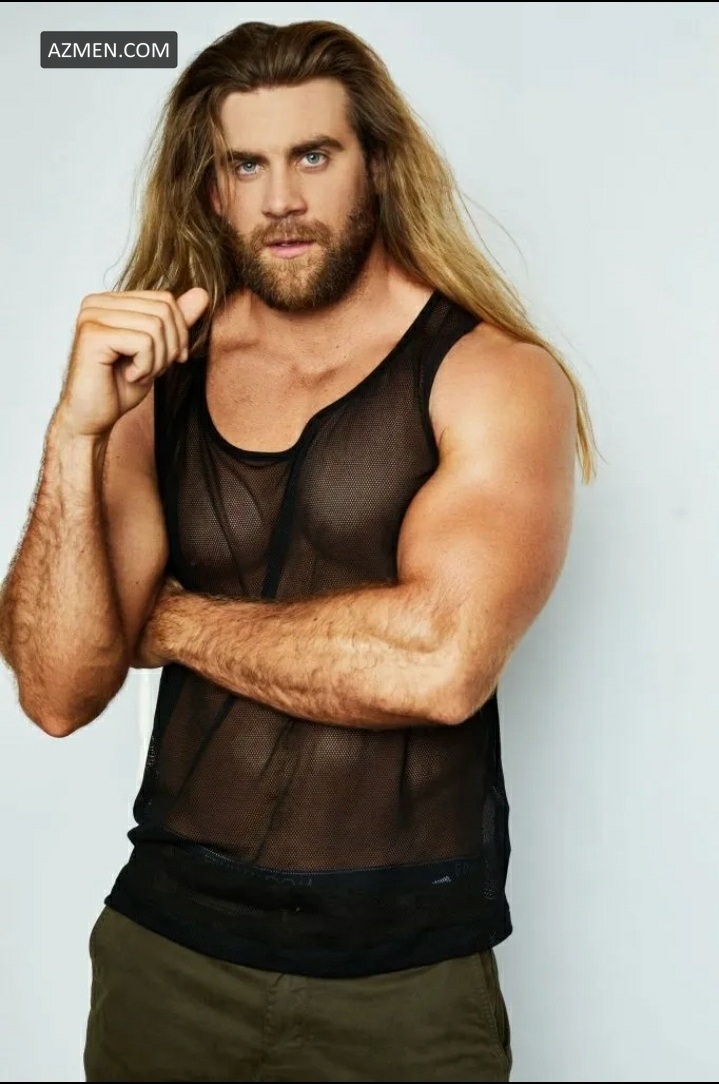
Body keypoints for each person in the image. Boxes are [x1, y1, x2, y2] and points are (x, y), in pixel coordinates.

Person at [0, 19, 595, 1084]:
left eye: (313, 155)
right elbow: (54, 691)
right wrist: (74, 433)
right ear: (211, 188)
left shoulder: (491, 375)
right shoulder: (153, 382)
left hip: (402, 985)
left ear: (376, 164)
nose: (280, 198)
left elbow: (438, 664)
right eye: (246, 164)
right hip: (167, 953)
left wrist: (169, 620)